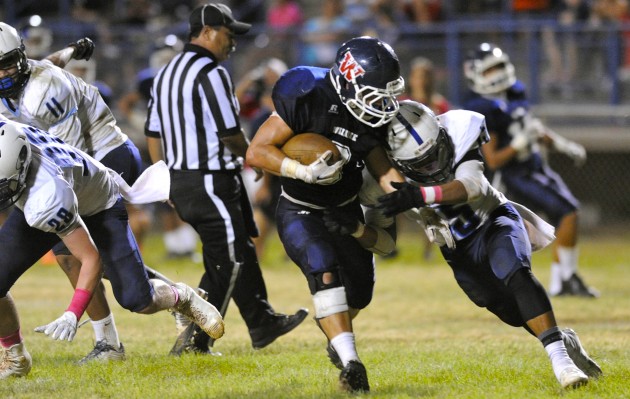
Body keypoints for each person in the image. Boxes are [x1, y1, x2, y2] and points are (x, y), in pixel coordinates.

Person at [372, 100, 602, 389]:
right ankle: (563, 339)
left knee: (514, 270)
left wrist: (421, 195)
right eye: (421, 163)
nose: (432, 165)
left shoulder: (459, 129)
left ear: (441, 133)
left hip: (493, 219)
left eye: (434, 154)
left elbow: (472, 186)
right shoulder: (384, 170)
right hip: (458, 248)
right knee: (508, 310)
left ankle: (562, 363)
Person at [0, 119, 224, 379]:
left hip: (97, 203)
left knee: (137, 300)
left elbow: (90, 259)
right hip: (59, 184)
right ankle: (14, 356)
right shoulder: (9, 137)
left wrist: (72, 313)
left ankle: (181, 296)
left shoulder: (47, 198)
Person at [0, 22, 170, 363]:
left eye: (8, 63)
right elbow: (46, 64)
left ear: (20, 57)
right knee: (77, 256)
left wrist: (56, 212)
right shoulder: (33, 74)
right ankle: (109, 339)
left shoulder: (46, 91)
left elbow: (69, 157)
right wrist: (72, 51)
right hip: (49, 163)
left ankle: (124, 330)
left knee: (78, 253)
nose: (4, 72)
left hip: (101, 157)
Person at [145, 3, 308, 356]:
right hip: (210, 179)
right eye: (227, 33)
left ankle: (261, 321)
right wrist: (256, 155)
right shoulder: (211, 73)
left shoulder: (166, 73)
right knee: (227, 258)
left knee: (240, 249)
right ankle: (194, 340)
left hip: (184, 179)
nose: (232, 41)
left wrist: (164, 177)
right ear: (206, 32)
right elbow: (229, 133)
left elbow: (153, 134)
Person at [246, 35, 406, 393]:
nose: (384, 103)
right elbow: (257, 152)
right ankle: (352, 363)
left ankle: (338, 340)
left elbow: (381, 165)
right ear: (349, 81)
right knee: (323, 269)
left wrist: (408, 195)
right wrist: (301, 170)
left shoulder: (372, 115)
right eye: (376, 93)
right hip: (301, 206)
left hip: (346, 207)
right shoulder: (307, 91)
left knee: (360, 294)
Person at [461, 43, 598, 298]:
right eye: (491, 70)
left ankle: (564, 278)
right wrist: (519, 144)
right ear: (476, 74)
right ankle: (561, 279)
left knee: (565, 215)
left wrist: (561, 144)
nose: (498, 73)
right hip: (514, 176)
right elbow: (493, 160)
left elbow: (532, 127)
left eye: (500, 66)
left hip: (534, 167)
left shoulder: (514, 92)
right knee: (534, 227)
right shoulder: (481, 107)